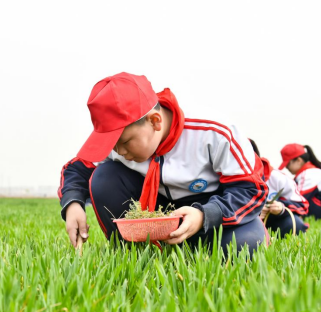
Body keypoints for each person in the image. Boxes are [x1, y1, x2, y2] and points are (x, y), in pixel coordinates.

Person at [58, 72, 269, 257]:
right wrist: (73, 204)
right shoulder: (118, 142)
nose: (119, 152)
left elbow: (251, 189)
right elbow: (77, 168)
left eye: (125, 142)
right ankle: (136, 254)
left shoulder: (214, 133)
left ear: (155, 121)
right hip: (158, 211)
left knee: (244, 245)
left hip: (209, 211)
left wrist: (204, 214)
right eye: (112, 145)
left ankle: (200, 243)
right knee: (103, 177)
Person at [249, 139, 309, 237]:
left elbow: (302, 205)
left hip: (273, 220)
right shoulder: (224, 177)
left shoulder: (278, 178)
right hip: (246, 224)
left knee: (296, 225)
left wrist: (282, 208)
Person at [278, 143, 321, 221]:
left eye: (288, 164)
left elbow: (297, 198)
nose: (286, 167)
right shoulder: (308, 172)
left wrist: (279, 204)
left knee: (298, 201)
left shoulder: (308, 174)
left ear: (299, 160)